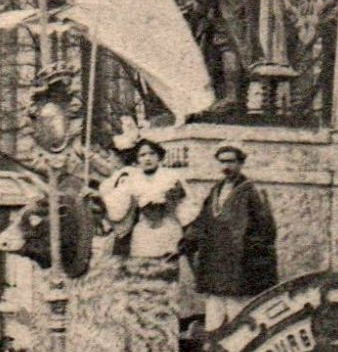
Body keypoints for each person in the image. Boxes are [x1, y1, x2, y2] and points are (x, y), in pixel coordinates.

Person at [184, 142, 278, 334]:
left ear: (241, 163)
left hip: (239, 270)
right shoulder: (215, 190)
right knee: (214, 317)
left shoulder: (251, 192)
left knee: (239, 319)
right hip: (215, 266)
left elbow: (266, 231)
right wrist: (188, 239)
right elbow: (203, 221)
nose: (225, 167)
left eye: (231, 162)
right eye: (222, 162)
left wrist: (248, 255)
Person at [100, 137, 187, 269]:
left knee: (169, 270)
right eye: (142, 155)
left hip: (169, 228)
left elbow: (187, 206)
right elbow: (116, 203)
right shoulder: (132, 180)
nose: (147, 158)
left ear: (159, 157)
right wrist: (97, 198)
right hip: (143, 232)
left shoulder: (172, 177)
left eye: (152, 154)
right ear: (137, 160)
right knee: (143, 271)